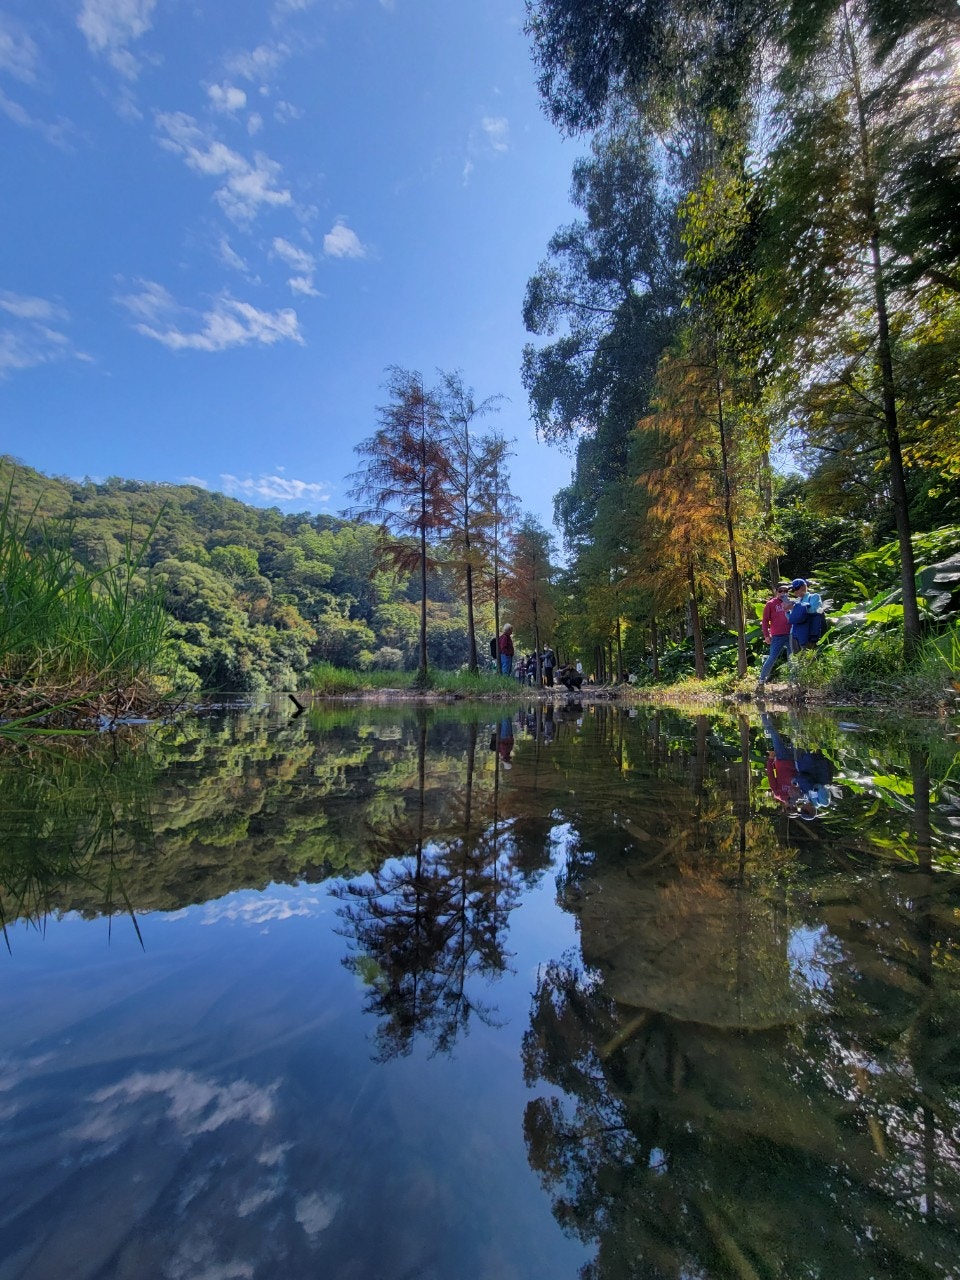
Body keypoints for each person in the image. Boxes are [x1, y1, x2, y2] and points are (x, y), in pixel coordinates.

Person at [758, 581, 793, 687]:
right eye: (781, 591)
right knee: (772, 657)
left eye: (786, 591)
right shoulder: (771, 604)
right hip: (777, 635)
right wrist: (766, 635)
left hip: (791, 634)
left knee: (792, 658)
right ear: (776, 591)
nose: (783, 593)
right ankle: (762, 679)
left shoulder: (792, 602)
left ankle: (793, 680)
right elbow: (765, 621)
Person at [788, 579, 823, 652]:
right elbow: (791, 619)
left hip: (809, 632)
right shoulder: (796, 601)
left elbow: (813, 610)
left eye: (797, 588)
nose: (795, 591)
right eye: (793, 590)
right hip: (795, 633)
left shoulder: (814, 597)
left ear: (804, 586)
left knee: (808, 656)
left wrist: (797, 607)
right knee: (795, 656)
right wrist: (787, 610)